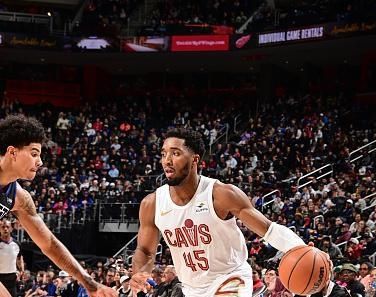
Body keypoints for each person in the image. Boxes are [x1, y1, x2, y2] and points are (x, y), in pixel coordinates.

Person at [130, 128, 314, 297]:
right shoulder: (152, 203)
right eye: (164, 154)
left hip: (231, 278)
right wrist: (140, 273)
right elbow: (145, 251)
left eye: (175, 153)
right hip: (191, 288)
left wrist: (303, 248)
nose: (167, 161)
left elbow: (269, 229)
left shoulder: (221, 194)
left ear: (195, 159)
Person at [0, 114, 116, 297]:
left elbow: (49, 244)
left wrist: (90, 283)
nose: (40, 162)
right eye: (34, 154)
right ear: (12, 152)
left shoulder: (19, 197)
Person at [0, 219, 24, 297]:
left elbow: (19, 258)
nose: (5, 229)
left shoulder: (17, 244)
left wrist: (21, 270)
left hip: (12, 277)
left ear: (11, 228)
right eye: (3, 227)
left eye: (7, 227)